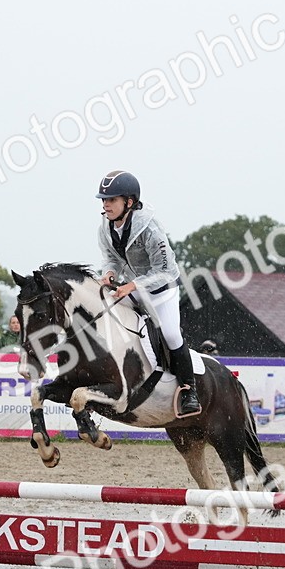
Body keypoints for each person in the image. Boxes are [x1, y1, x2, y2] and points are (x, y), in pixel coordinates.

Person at [95, 170, 201, 416]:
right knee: (104, 313)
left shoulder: (150, 229)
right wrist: (109, 273)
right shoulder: (105, 226)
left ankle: (189, 391)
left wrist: (131, 286)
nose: (105, 205)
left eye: (111, 200)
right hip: (134, 287)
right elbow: (110, 257)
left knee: (171, 334)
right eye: (104, 200)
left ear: (129, 202)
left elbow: (164, 271)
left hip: (163, 290)